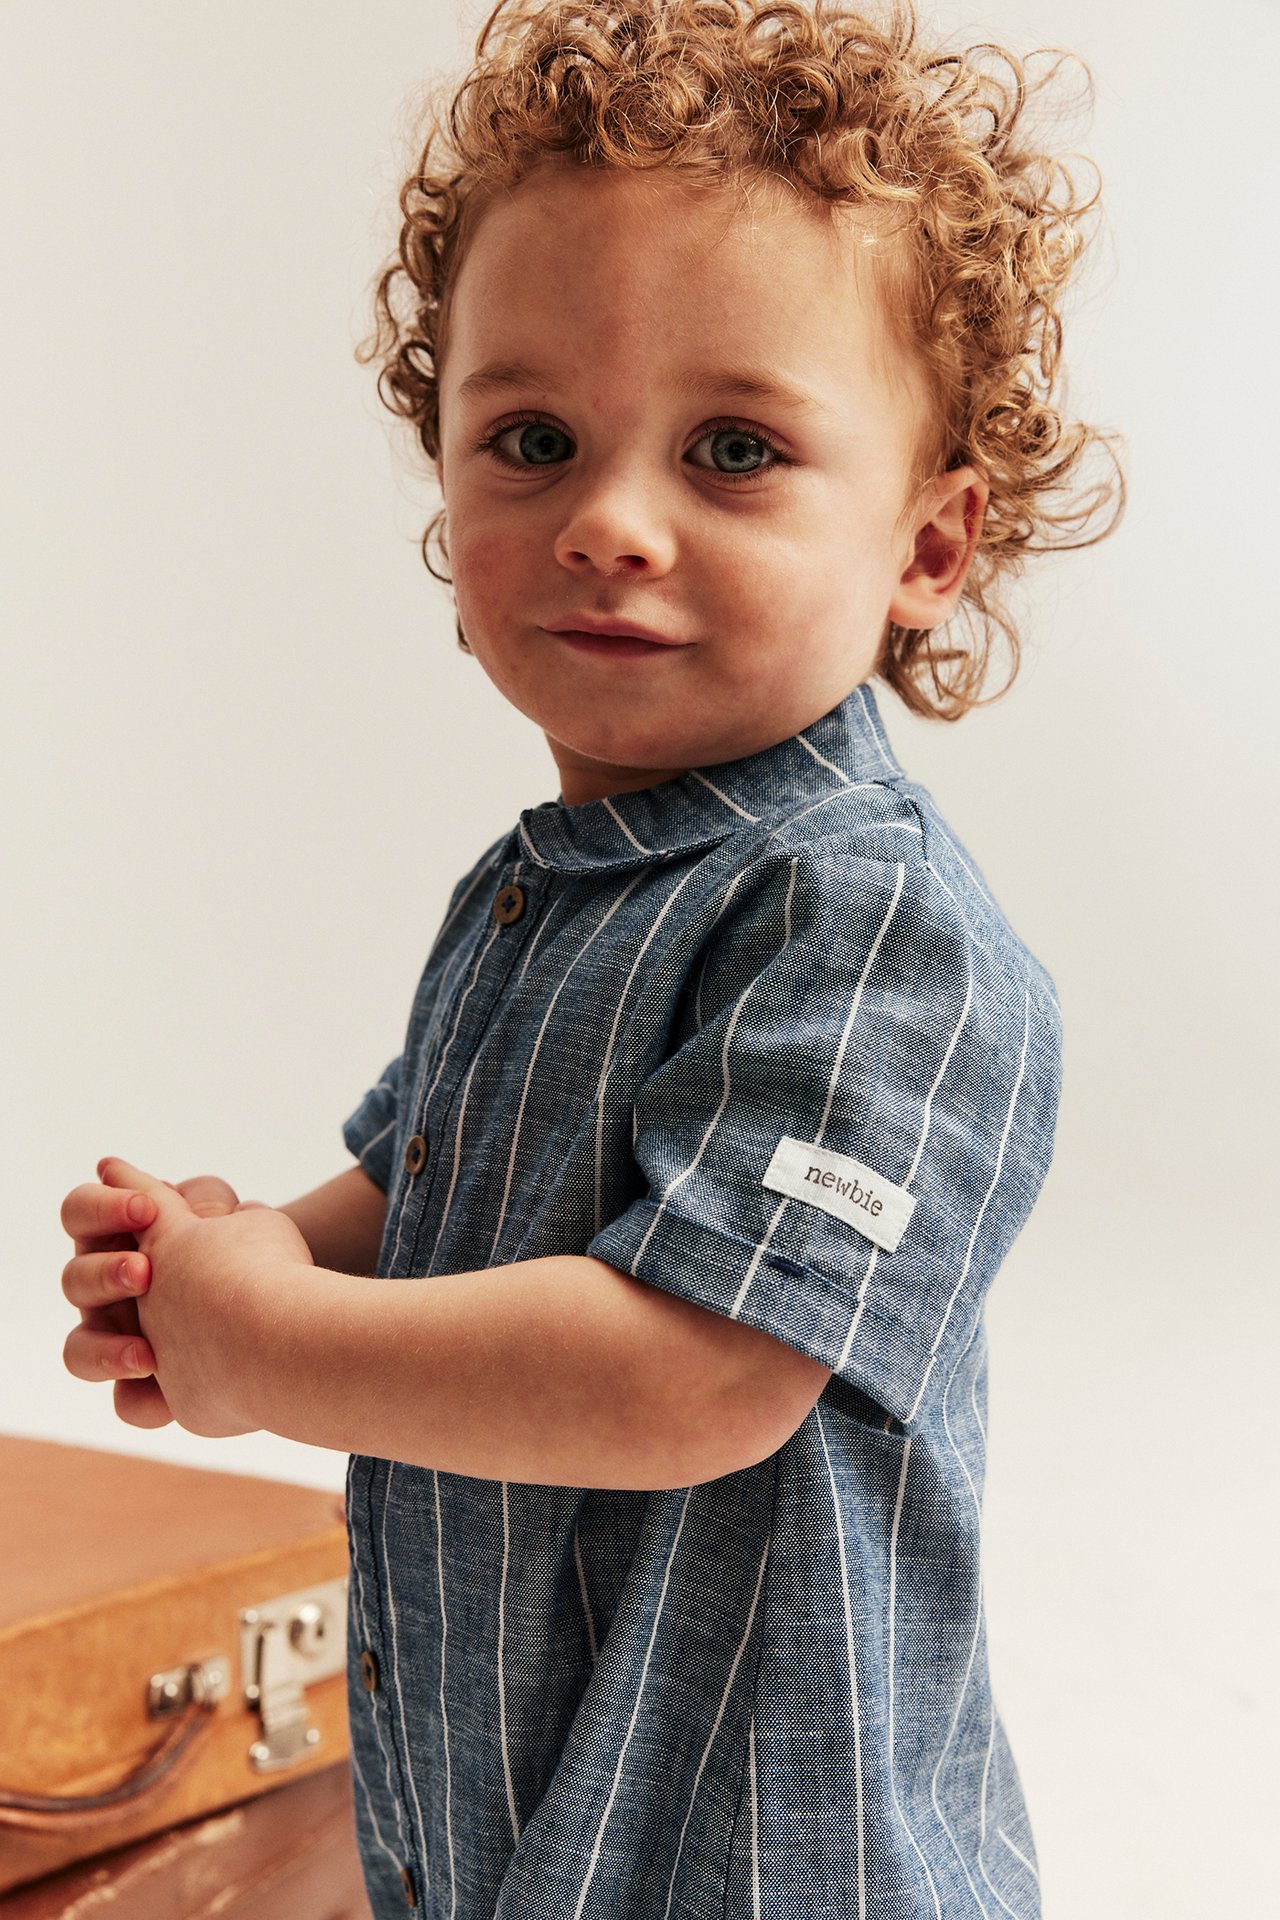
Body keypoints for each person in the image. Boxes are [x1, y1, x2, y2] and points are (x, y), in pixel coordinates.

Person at [58, 1, 1124, 1913]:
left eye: (734, 449)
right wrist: (244, 1256)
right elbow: (437, 1189)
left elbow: (698, 1370)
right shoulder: (549, 884)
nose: (610, 525)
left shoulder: (875, 932)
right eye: (533, 440)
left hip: (759, 1868)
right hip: (510, 1828)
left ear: (932, 543)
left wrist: (279, 1346)